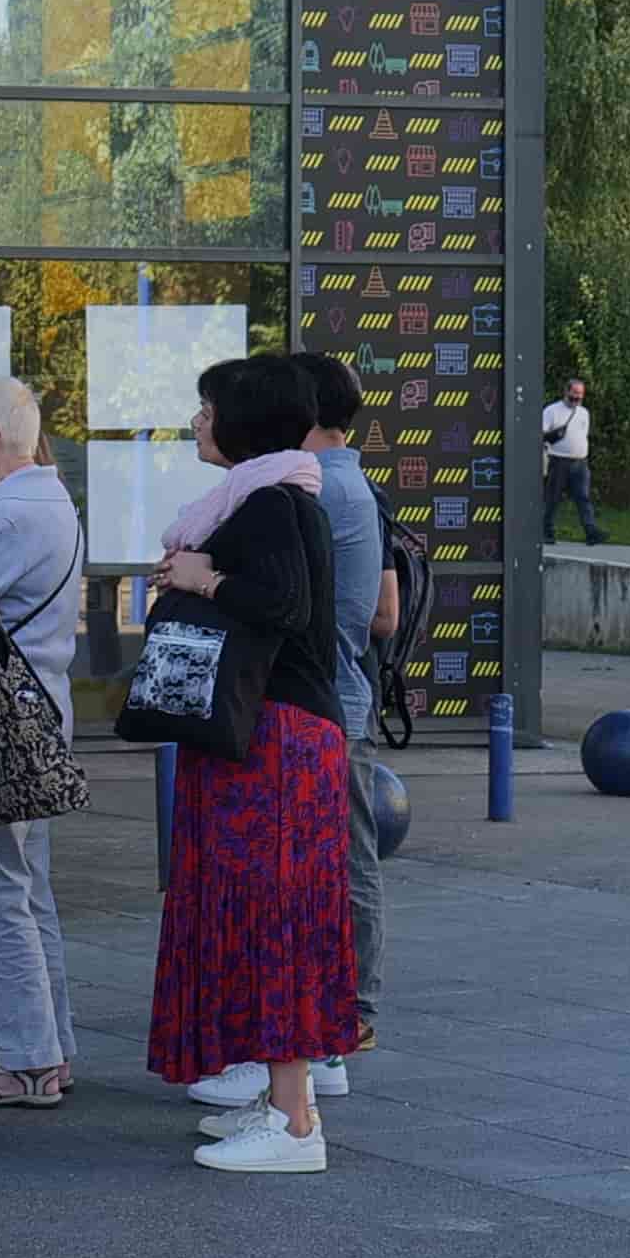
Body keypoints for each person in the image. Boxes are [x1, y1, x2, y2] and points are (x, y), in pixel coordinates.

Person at [141, 357, 360, 1174]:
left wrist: (207, 575)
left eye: (208, 409)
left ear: (248, 421)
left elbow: (286, 604)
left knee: (275, 919)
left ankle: (297, 1124)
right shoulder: (260, 497)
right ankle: (278, 1103)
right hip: (254, 738)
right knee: (251, 912)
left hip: (278, 742)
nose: (198, 422)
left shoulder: (272, 502)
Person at [0, 374, 89, 1109]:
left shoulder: (7, 519)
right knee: (27, 895)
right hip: (36, 721)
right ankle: (51, 1050)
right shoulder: (44, 499)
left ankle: (28, 1064)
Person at [292, 349, 393, 1096]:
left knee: (339, 862)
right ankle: (336, 1024)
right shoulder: (353, 486)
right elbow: (383, 611)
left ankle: (340, 1026)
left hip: (327, 703)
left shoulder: (325, 489)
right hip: (340, 697)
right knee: (339, 858)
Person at [539, 372, 606, 545]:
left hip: (580, 462)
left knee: (583, 497)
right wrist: (553, 436)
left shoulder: (584, 413)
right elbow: (541, 433)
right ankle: (546, 531)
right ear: (566, 392)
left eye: (580, 395)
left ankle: (591, 531)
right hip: (559, 460)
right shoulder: (551, 411)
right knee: (553, 498)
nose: (577, 398)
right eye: (574, 394)